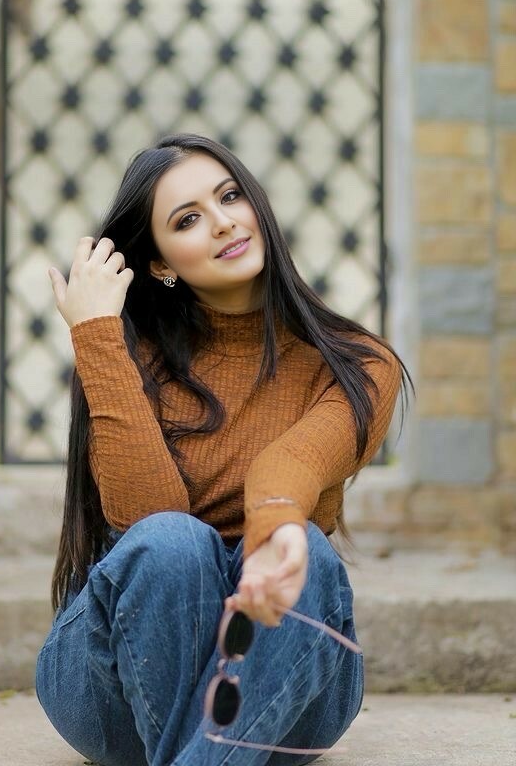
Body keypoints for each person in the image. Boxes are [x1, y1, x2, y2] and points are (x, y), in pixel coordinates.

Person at [35, 133, 413, 766]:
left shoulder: (358, 365)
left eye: (230, 196)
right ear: (160, 263)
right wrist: (96, 336)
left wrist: (277, 535)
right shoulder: (125, 359)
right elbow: (147, 518)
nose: (222, 222)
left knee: (308, 552)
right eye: (187, 220)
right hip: (118, 691)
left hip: (280, 696)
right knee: (170, 543)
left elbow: (295, 461)